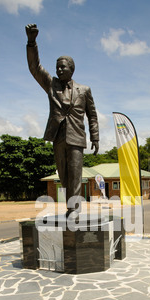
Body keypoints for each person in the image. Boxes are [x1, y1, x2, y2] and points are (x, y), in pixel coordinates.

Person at [25, 24, 99, 219]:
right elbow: (35, 68)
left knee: (75, 175)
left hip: (76, 137)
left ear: (72, 69)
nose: (58, 69)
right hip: (58, 137)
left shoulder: (84, 90)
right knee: (64, 177)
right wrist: (31, 42)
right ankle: (71, 206)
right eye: (57, 67)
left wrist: (96, 137)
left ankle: (74, 209)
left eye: (62, 66)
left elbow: (92, 114)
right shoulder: (52, 85)